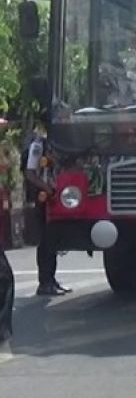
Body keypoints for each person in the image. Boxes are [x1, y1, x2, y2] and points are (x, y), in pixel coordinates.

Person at [24, 125, 69, 297]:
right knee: (46, 241)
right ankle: (44, 282)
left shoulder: (56, 143)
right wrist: (47, 189)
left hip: (55, 196)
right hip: (43, 198)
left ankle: (51, 279)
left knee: (53, 240)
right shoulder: (38, 145)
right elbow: (30, 173)